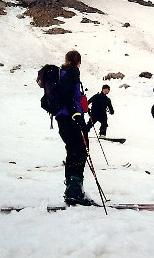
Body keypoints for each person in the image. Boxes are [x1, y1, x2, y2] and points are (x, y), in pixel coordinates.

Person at [56, 50, 92, 205]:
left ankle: (71, 189)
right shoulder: (73, 71)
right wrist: (75, 112)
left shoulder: (61, 72)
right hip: (71, 118)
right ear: (79, 61)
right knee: (81, 151)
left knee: (72, 151)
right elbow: (68, 95)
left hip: (62, 118)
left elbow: (67, 93)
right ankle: (75, 191)